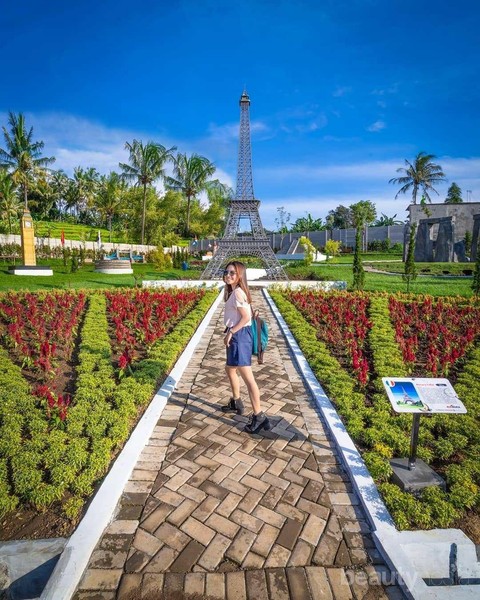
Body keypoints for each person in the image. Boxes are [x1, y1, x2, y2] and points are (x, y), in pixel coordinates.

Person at [221, 260, 270, 434]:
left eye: (232, 273)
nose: (228, 275)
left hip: (239, 337)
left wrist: (231, 332)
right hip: (238, 336)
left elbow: (245, 317)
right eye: (226, 272)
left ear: (240, 275)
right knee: (230, 368)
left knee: (249, 379)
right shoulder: (234, 291)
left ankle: (259, 415)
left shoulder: (237, 293)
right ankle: (236, 401)